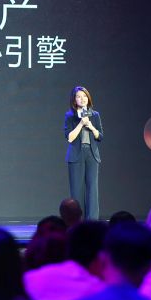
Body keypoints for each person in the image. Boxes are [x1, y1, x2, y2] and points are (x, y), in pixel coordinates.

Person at [64, 86, 103, 220]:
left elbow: (100, 136)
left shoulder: (95, 115)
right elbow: (69, 137)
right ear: (74, 100)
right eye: (79, 96)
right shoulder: (70, 116)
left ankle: (92, 221)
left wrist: (91, 126)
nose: (82, 99)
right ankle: (77, 221)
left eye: (84, 96)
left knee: (92, 189)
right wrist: (81, 123)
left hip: (92, 154)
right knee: (76, 190)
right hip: (76, 155)